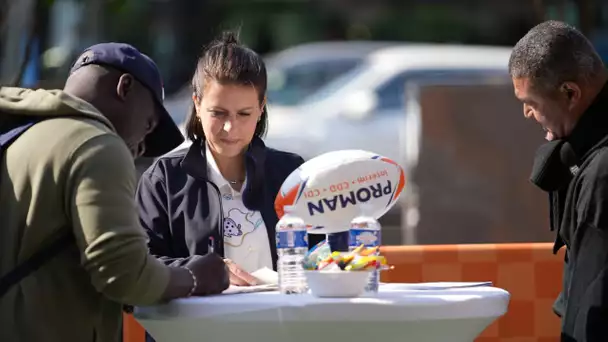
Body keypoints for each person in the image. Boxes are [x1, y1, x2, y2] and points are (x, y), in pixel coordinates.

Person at [0, 43, 229, 342]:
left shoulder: (20, 133)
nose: (142, 146)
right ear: (125, 87)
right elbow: (122, 274)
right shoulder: (97, 145)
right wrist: (196, 277)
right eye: (149, 124)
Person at [136, 31, 315, 286]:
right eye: (218, 113)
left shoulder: (291, 173)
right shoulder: (163, 181)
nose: (230, 128)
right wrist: (201, 270)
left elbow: (324, 254)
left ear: (261, 107)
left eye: (244, 114)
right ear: (197, 105)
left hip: (281, 322)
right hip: (196, 325)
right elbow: (139, 267)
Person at [509, 20, 608, 341]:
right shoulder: (588, 156)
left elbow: (594, 300)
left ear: (570, 93)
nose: (527, 114)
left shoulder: (601, 173)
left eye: (531, 103)